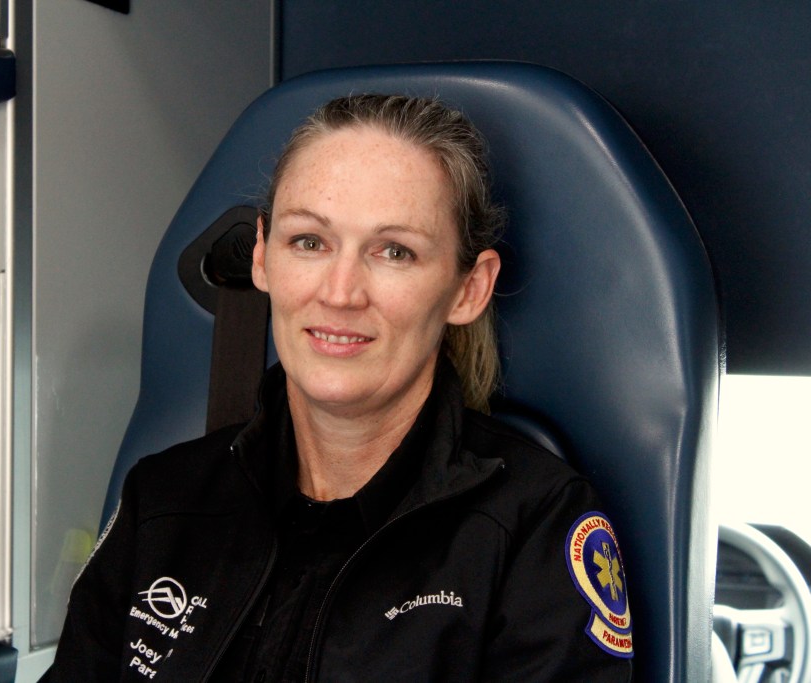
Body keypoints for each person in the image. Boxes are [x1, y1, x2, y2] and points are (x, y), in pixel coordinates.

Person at [43, 94, 633, 681]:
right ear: (262, 257)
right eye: (309, 242)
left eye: (394, 251)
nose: (341, 292)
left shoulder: (535, 528)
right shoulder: (162, 500)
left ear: (468, 290)